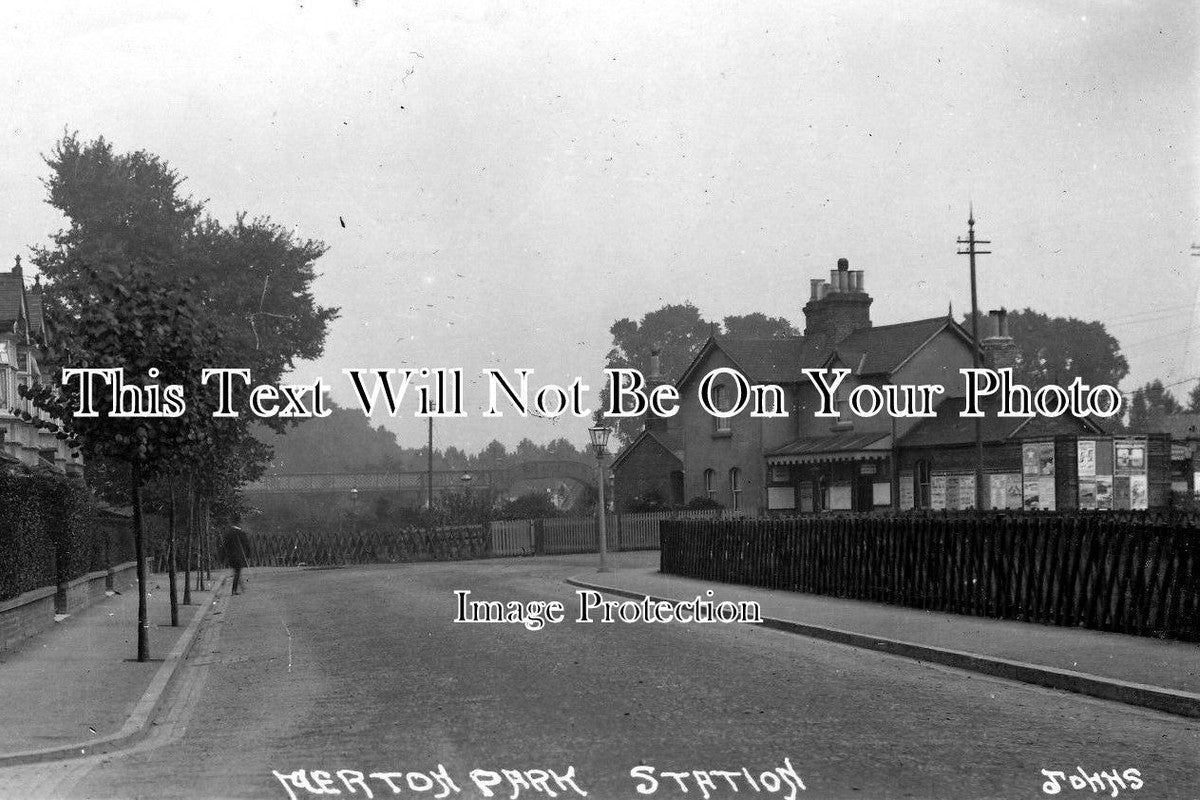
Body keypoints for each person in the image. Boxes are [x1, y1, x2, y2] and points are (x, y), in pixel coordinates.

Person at [221, 525, 253, 595]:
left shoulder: (228, 535)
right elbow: (247, 545)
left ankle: (240, 587)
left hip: (231, 556)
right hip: (239, 556)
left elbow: (224, 547)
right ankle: (234, 590)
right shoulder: (242, 534)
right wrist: (248, 555)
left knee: (237, 571)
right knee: (237, 572)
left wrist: (223, 558)